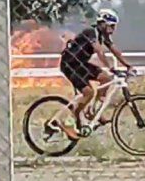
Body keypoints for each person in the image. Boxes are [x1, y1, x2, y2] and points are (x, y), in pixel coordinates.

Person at [55, 8, 136, 140]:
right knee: (88, 93)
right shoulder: (91, 32)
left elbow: (114, 50)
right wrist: (111, 67)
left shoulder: (102, 35)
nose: (113, 29)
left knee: (106, 79)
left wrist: (128, 65)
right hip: (70, 65)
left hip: (81, 64)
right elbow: (99, 51)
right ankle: (67, 122)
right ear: (102, 23)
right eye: (111, 26)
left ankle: (92, 110)